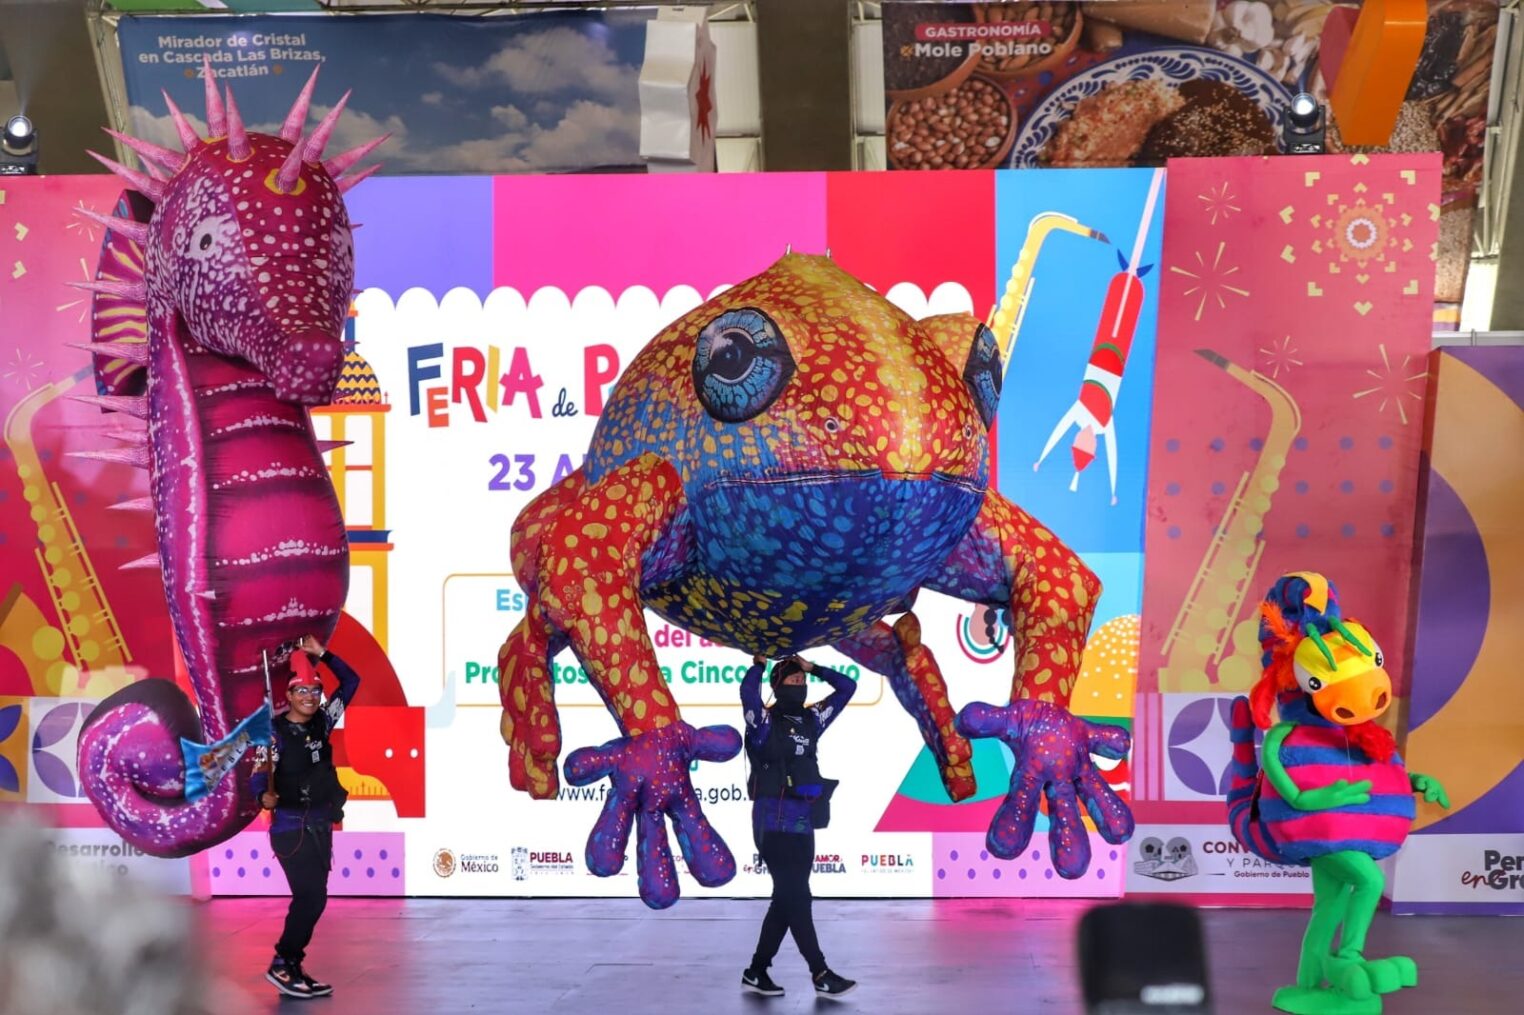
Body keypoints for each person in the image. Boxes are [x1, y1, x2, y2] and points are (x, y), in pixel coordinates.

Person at [739, 654, 857, 1000]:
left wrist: (812, 668)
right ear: (778, 686)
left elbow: (847, 688)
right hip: (771, 823)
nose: (800, 686)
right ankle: (820, 972)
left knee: (786, 899)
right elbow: (748, 694)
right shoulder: (764, 722)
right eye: (792, 681)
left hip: (803, 822)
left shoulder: (811, 719)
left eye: (802, 682)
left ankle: (756, 971)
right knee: (798, 897)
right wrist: (758, 665)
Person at [250, 634, 361, 999]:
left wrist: (322, 654)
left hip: (320, 826)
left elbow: (352, 682)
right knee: (309, 898)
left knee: (315, 898)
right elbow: (257, 776)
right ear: (289, 694)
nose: (310, 697)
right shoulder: (274, 734)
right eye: (302, 691)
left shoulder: (323, 723)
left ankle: (292, 965)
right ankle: (282, 964)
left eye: (315, 691)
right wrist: (262, 796)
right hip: (290, 830)